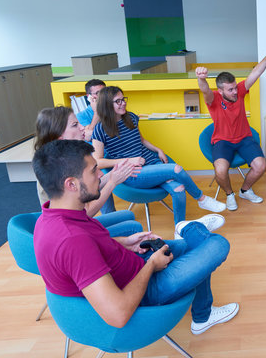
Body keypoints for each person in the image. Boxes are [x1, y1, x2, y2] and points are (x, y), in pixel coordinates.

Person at [32, 139, 239, 334]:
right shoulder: (72, 241)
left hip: (134, 264)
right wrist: (152, 266)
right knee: (217, 244)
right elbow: (118, 315)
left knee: (195, 247)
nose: (100, 176)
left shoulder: (54, 215)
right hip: (145, 291)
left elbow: (90, 252)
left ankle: (203, 316)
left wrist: (124, 244)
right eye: (93, 171)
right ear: (71, 184)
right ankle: (188, 227)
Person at [91, 86, 226, 224]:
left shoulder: (130, 117)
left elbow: (141, 140)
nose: (123, 103)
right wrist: (129, 160)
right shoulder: (100, 129)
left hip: (152, 163)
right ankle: (201, 198)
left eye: (123, 99)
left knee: (178, 189)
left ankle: (179, 229)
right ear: (107, 105)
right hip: (133, 172)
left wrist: (157, 150)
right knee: (176, 169)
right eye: (118, 101)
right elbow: (98, 161)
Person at [196, 44, 266, 211]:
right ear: (220, 91)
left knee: (261, 166)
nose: (235, 92)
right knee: (220, 170)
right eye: (230, 89)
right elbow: (205, 90)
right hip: (222, 141)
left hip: (244, 139)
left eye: (235, 87)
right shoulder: (213, 100)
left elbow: (256, 72)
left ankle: (245, 191)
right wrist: (201, 78)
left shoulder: (240, 91)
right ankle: (229, 194)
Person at [35, 106, 141, 237]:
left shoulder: (67, 157)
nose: (82, 127)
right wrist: (112, 182)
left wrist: (114, 175)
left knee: (128, 215)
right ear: (59, 137)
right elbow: (86, 211)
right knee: (132, 227)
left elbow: (88, 186)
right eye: (75, 125)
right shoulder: (59, 169)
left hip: (80, 222)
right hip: (75, 231)